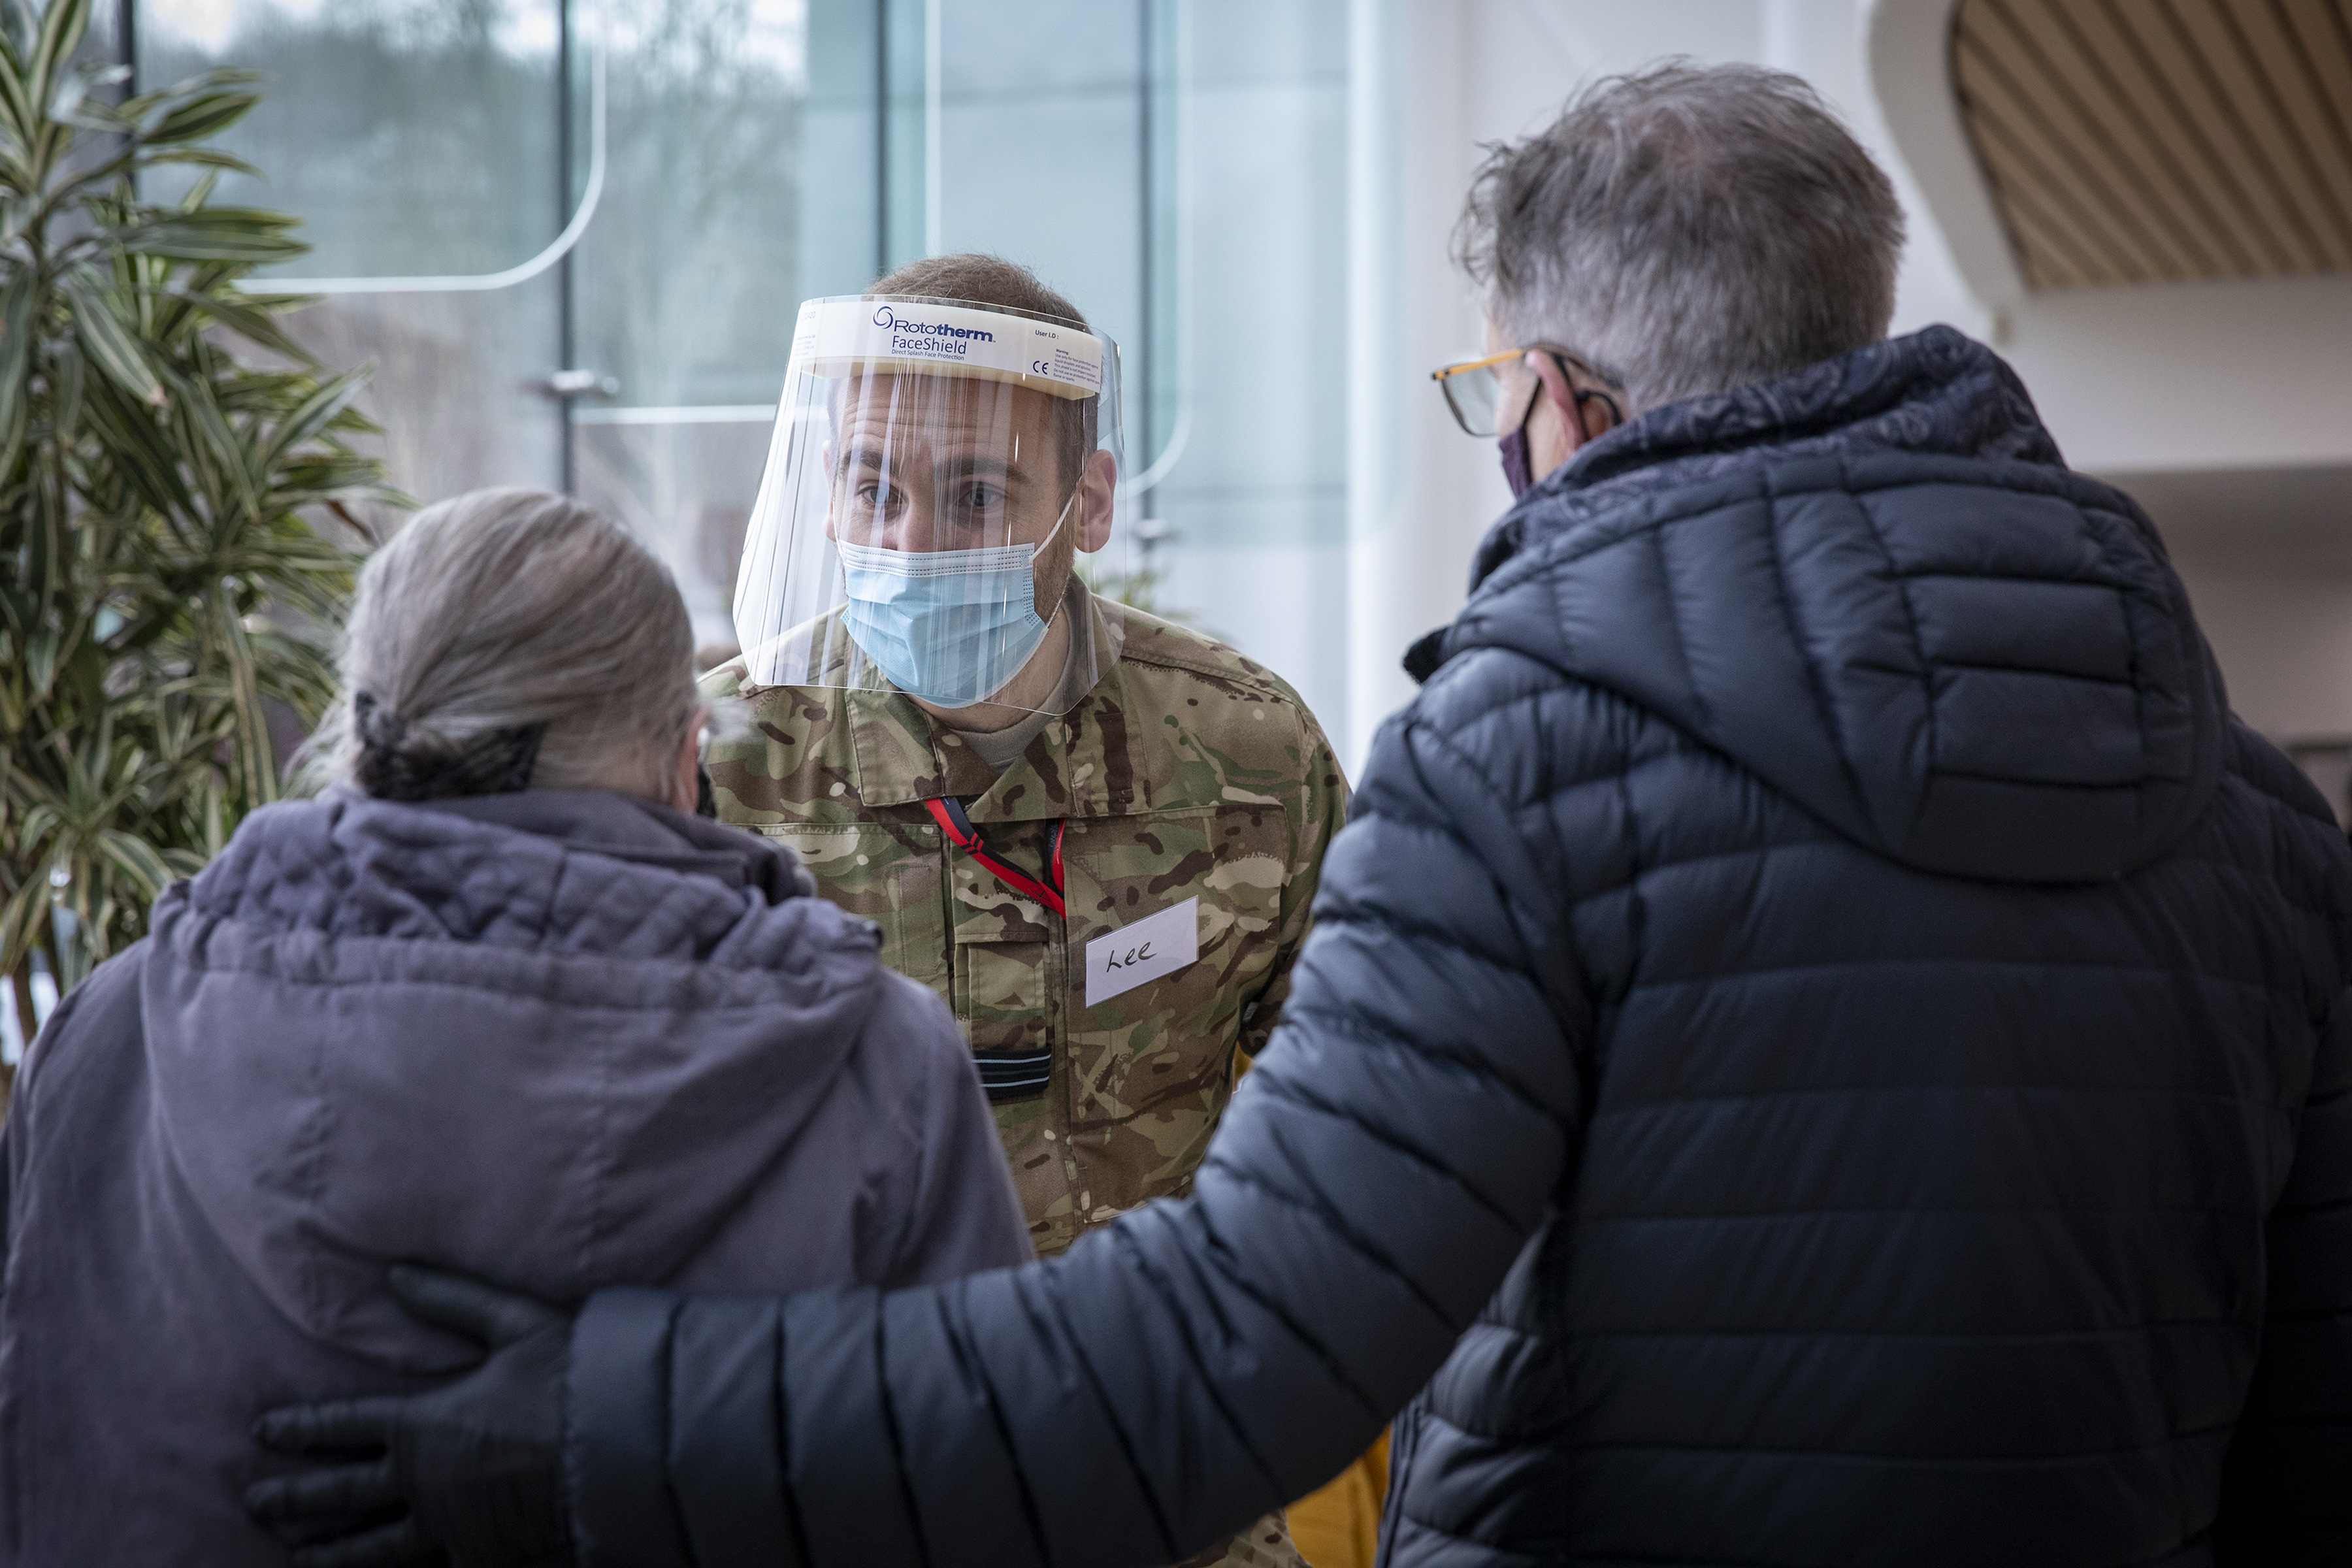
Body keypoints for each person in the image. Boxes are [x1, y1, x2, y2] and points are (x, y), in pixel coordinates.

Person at [250, 64, 2352, 1568]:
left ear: (1567, 408)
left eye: (1489, 401)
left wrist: (600, 1435)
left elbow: (1242, 1343)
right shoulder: (2264, 830)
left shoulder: (1510, 762)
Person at [0, 489, 1029, 1564]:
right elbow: (1003, 1484)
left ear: (359, 730)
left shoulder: (110, 1033)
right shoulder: (876, 1066)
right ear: (687, 752)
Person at [698, 253, 1350, 1568]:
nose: (910, 545)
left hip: (1164, 1478)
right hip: (835, 1482)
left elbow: (1359, 1118)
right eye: (872, 488)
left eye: (978, 494)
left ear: (1089, 504)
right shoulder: (728, 767)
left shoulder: (1245, 756)